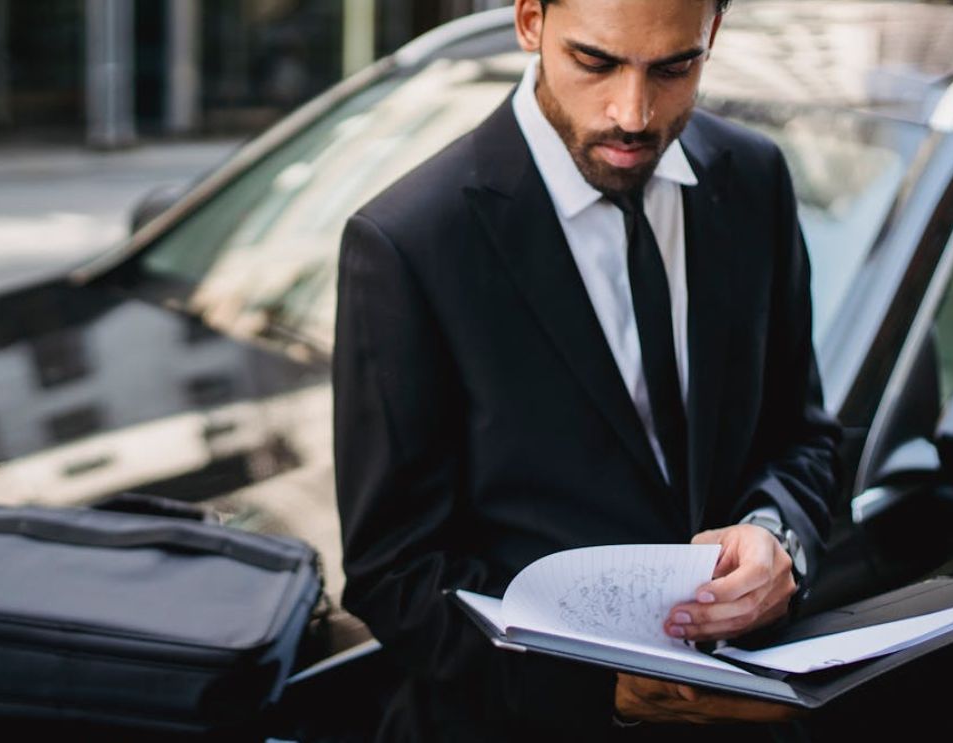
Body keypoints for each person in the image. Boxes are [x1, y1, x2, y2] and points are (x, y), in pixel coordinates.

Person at [332, 0, 842, 739]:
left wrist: (776, 540)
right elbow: (396, 573)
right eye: (595, 62)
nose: (632, 113)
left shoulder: (754, 177)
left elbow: (802, 435)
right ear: (530, 22)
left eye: (673, 67)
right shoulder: (409, 242)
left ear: (713, 35)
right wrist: (601, 691)